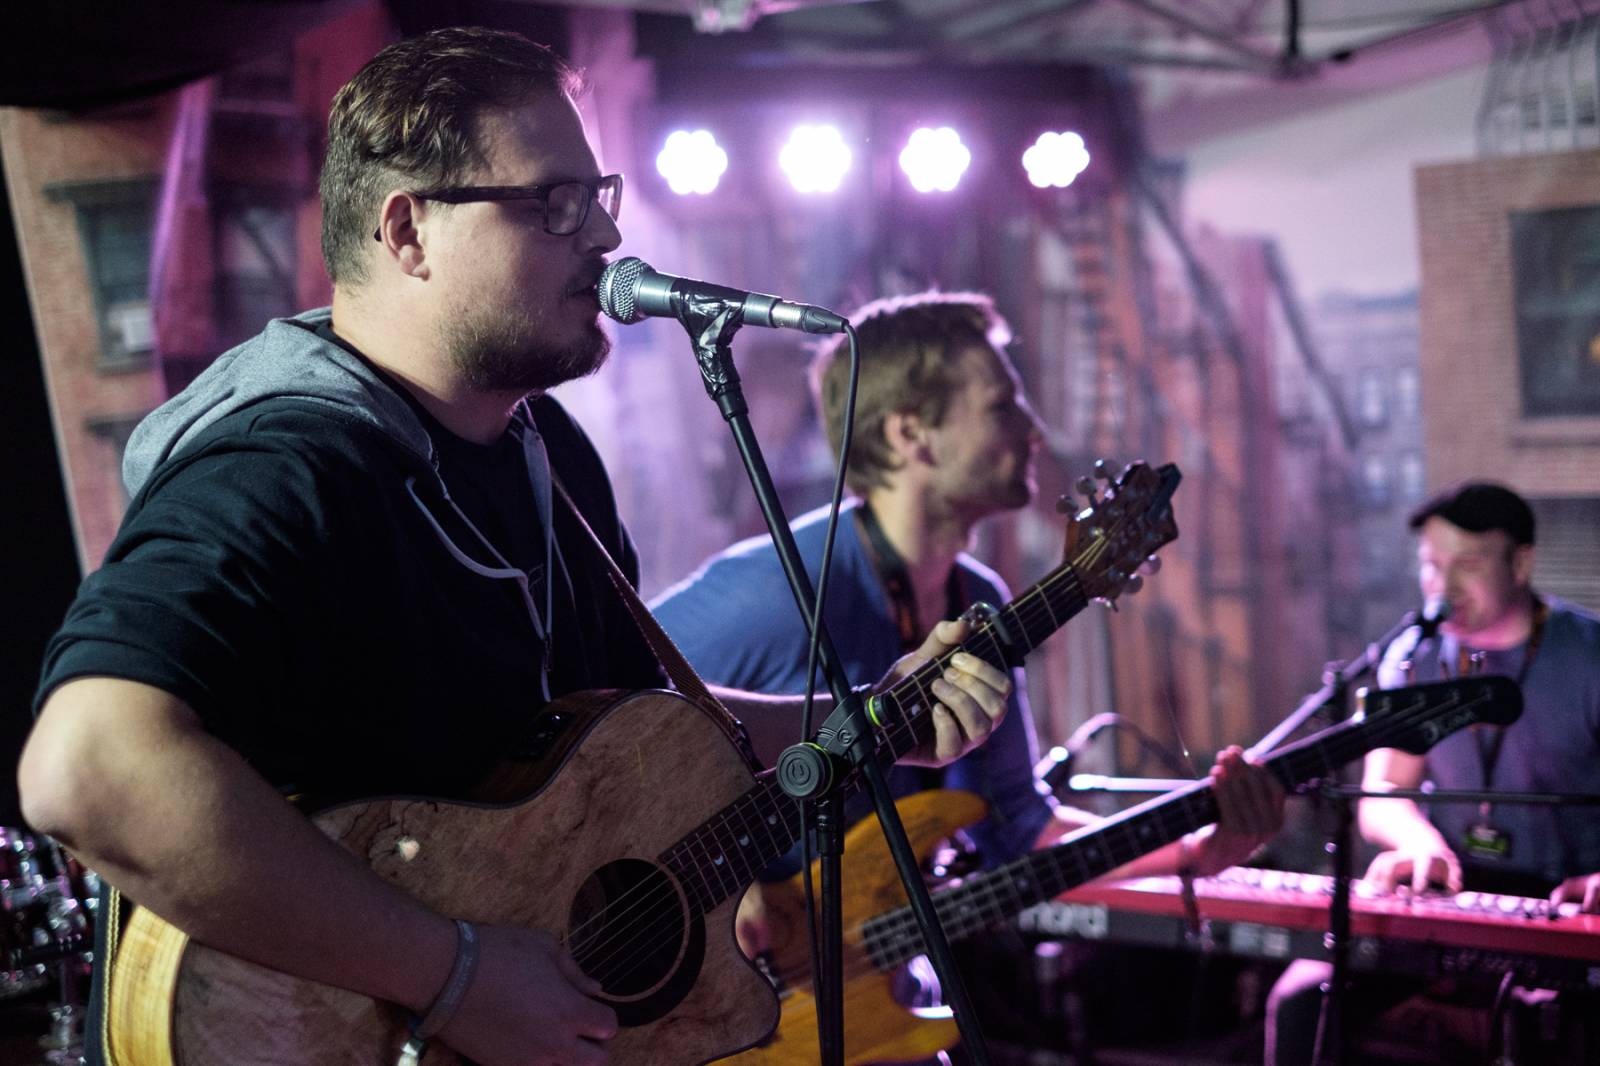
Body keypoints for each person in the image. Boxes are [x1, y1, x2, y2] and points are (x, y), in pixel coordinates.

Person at [16, 29, 1017, 1066]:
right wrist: (450, 973)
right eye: (551, 202)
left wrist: (869, 716)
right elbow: (88, 766)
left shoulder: (547, 457)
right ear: (408, 231)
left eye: (598, 194)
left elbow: (659, 744)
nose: (602, 236)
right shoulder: (285, 464)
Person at [651, 293, 1284, 975]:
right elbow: (604, 711)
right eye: (1003, 405)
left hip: (873, 993)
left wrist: (1197, 849)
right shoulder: (776, 591)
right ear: (910, 433)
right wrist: (727, 891)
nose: (1034, 431)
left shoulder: (979, 601)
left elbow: (1019, 831)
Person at [1265, 481, 1600, 1066]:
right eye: (1430, 565)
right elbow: (1383, 793)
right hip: (1453, 891)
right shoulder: (1413, 660)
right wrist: (1422, 844)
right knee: (1300, 1001)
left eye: (1467, 565)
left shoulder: (1589, 653)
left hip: (1570, 902)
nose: (1442, 587)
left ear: (1520, 563)